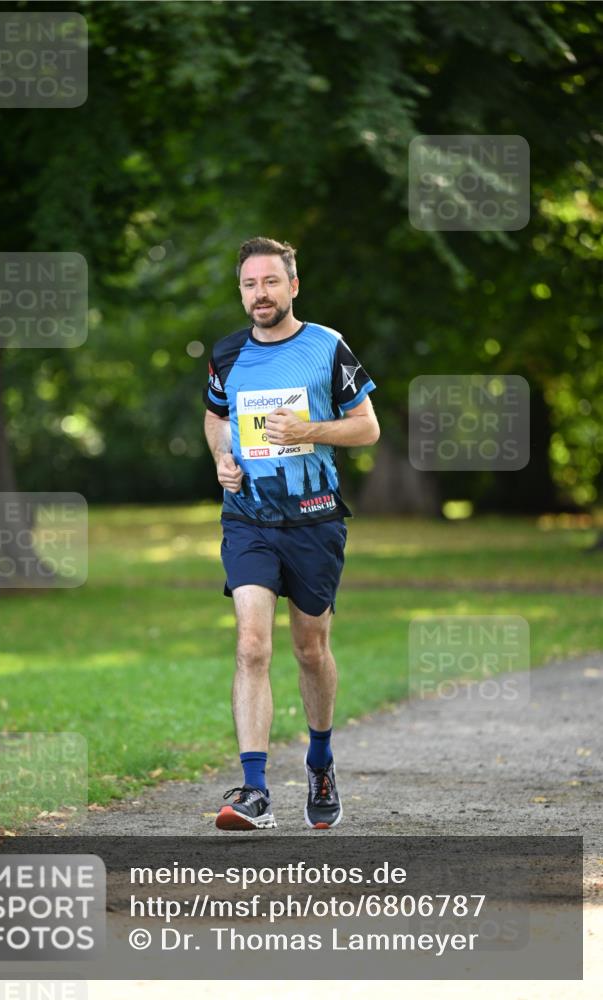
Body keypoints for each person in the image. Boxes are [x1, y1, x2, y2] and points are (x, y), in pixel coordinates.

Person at [203, 236, 379, 831]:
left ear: (293, 286)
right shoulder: (227, 354)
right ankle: (254, 791)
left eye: (271, 282)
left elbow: (367, 427)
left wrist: (309, 430)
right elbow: (215, 416)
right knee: (252, 645)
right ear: (241, 292)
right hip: (248, 519)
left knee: (310, 650)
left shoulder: (326, 346)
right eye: (250, 284)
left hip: (315, 520)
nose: (260, 293)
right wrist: (222, 457)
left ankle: (320, 761)